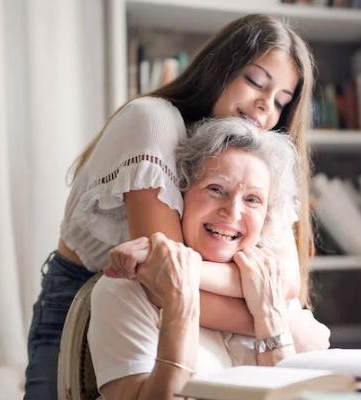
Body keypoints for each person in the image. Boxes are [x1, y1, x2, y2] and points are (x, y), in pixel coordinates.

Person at [24, 14, 318, 400]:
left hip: (183, 314)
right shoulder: (154, 120)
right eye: (255, 81)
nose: (265, 105)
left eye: (282, 101)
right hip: (89, 305)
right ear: (219, 69)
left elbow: (287, 282)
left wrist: (273, 302)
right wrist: (275, 314)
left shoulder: (257, 158)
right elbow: (167, 280)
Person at [89, 118, 328, 400]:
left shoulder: (275, 298)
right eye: (216, 189)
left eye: (252, 199)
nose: (233, 212)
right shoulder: (125, 291)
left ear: (267, 217)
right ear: (182, 194)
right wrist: (180, 305)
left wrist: (270, 318)